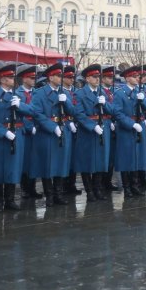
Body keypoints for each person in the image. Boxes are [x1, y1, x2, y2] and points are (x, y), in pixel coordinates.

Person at [0, 64, 34, 212]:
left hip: (15, 135)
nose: (13, 79)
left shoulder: (17, 96)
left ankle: (9, 200)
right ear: (3, 80)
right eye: (10, 77)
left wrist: (20, 105)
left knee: (12, 168)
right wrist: (3, 132)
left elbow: (32, 110)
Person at [29, 63, 76, 207]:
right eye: (58, 75)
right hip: (47, 132)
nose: (61, 78)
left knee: (61, 163)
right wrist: (52, 127)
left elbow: (72, 112)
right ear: (50, 77)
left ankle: (58, 194)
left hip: (63, 130)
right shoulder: (39, 92)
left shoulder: (64, 93)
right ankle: (49, 195)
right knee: (47, 164)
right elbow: (37, 113)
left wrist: (66, 101)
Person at [72, 64, 112, 202]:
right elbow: (79, 114)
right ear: (87, 78)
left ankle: (97, 189)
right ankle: (89, 191)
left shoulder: (102, 92)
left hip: (102, 129)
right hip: (88, 131)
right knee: (86, 162)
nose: (97, 79)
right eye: (95, 77)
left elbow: (111, 110)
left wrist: (105, 104)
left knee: (100, 160)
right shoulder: (79, 93)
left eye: (98, 77)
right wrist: (92, 126)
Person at [113, 65, 146, 197]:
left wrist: (144, 101)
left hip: (139, 126)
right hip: (127, 129)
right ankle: (127, 187)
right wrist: (132, 124)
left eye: (138, 76)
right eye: (135, 77)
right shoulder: (120, 93)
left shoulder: (139, 92)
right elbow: (118, 114)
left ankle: (135, 185)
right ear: (127, 78)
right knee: (126, 158)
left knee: (137, 157)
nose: (138, 79)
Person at [15, 64, 42, 199]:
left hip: (37, 129)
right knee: (24, 161)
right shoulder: (17, 94)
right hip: (25, 131)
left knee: (34, 160)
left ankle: (32, 188)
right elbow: (20, 114)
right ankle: (25, 188)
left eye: (34, 78)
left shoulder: (37, 93)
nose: (34, 80)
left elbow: (39, 111)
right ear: (24, 79)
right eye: (31, 78)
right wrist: (29, 127)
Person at [62, 65, 82, 195]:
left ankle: (72, 184)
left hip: (77, 125)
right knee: (65, 156)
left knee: (75, 157)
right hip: (65, 125)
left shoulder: (76, 91)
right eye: (69, 77)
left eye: (73, 77)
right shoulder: (60, 92)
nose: (72, 79)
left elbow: (79, 109)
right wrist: (68, 122)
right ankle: (63, 185)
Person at [100, 66, 120, 192]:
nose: (111, 79)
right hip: (104, 124)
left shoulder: (114, 92)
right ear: (102, 79)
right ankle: (101, 182)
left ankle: (108, 181)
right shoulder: (100, 92)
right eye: (109, 77)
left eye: (112, 77)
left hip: (114, 125)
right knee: (104, 155)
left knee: (111, 156)